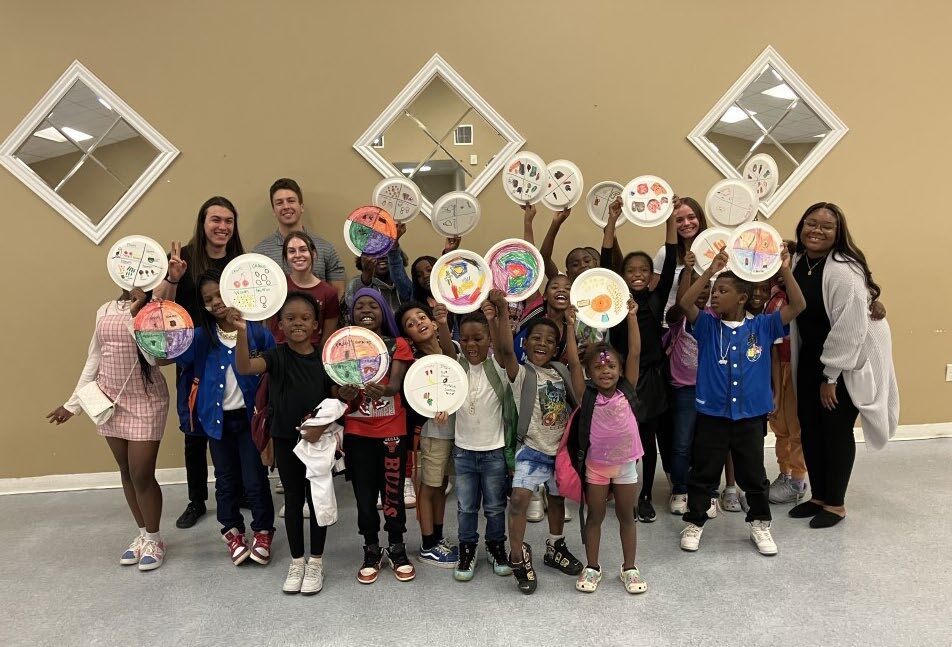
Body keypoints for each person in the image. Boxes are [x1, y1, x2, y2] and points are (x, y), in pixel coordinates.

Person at [676, 247, 805, 555]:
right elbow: (684, 303)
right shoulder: (708, 326)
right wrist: (708, 272)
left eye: (722, 291)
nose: (714, 297)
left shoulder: (762, 326)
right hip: (712, 414)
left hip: (749, 416)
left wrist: (786, 269)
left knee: (753, 475)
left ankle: (760, 523)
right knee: (704, 473)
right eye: (713, 292)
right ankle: (695, 521)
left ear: (743, 298)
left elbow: (799, 304)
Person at [788, 203, 898, 528]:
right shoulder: (799, 261)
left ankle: (835, 504)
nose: (816, 231)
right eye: (811, 223)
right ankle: (819, 497)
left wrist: (830, 377)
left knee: (835, 431)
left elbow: (849, 330)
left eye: (826, 226)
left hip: (843, 364)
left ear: (839, 233)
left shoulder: (843, 270)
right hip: (811, 356)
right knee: (810, 427)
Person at [47, 288, 170, 570]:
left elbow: (155, 358)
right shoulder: (104, 309)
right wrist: (73, 404)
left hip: (145, 399)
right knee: (126, 470)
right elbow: (94, 357)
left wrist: (137, 315)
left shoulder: (156, 312)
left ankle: (155, 538)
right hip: (109, 399)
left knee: (142, 473)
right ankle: (142, 535)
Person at [171, 270, 276, 567]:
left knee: (255, 479)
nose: (216, 302)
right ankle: (231, 532)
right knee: (225, 479)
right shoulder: (202, 338)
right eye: (208, 299)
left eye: (219, 294)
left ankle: (263, 530)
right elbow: (171, 357)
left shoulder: (256, 332)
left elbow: (274, 371)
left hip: (250, 420)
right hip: (216, 421)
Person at [235, 291, 337, 594]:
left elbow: (336, 401)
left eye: (305, 318)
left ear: (316, 325)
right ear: (279, 323)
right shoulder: (276, 356)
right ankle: (297, 561)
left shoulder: (325, 358)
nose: (298, 323)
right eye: (290, 318)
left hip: (318, 441)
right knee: (293, 500)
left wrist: (322, 427)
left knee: (317, 500)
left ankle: (316, 562)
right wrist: (241, 332)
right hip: (285, 438)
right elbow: (244, 368)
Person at [153, 198, 245, 530]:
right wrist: (174, 278)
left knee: (238, 422)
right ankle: (196, 500)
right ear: (202, 222)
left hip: (235, 352)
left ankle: (239, 491)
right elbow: (159, 307)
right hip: (195, 354)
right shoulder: (184, 259)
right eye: (215, 220)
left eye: (229, 221)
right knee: (195, 430)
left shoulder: (240, 261)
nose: (222, 227)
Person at [490, 289, 584, 594]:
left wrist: (570, 327)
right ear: (525, 343)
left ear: (556, 349)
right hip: (530, 448)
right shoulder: (519, 372)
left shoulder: (561, 373)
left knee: (557, 500)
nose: (542, 343)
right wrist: (503, 311)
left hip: (559, 451)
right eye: (536, 338)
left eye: (549, 341)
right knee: (518, 499)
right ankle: (517, 555)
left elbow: (579, 396)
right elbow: (504, 349)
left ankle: (555, 546)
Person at [601, 199, 678, 522]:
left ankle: (645, 495)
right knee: (620, 434)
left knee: (647, 437)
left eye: (643, 270)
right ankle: (619, 487)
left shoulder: (656, 297)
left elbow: (671, 258)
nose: (636, 274)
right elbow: (606, 259)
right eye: (631, 270)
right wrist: (611, 222)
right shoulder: (616, 298)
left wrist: (670, 219)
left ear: (650, 276)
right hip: (622, 376)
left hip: (653, 376)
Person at [565, 298, 648, 594]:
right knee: (596, 516)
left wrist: (633, 317)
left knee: (627, 516)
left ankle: (629, 568)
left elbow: (636, 351)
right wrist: (570, 324)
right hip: (596, 468)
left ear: (621, 368)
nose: (606, 372)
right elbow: (573, 361)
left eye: (612, 366)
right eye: (599, 368)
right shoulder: (585, 394)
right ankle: (592, 566)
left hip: (625, 466)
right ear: (590, 372)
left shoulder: (627, 387)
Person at [339, 288, 416, 584]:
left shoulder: (397, 345)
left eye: (373, 305)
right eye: (360, 306)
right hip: (357, 432)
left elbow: (395, 385)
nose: (366, 310)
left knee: (393, 494)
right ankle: (371, 548)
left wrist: (382, 389)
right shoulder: (342, 347)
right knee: (364, 495)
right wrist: (343, 392)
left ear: (384, 310)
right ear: (351, 314)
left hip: (392, 432)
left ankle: (397, 546)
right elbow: (336, 389)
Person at [451, 306, 517, 581]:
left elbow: (507, 349)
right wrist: (442, 321)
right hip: (464, 451)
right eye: (465, 339)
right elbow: (445, 347)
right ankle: (467, 548)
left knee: (494, 506)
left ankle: (495, 545)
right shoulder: (455, 367)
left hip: (494, 452)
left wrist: (496, 318)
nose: (470, 344)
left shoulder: (499, 367)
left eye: (478, 338)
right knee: (466, 506)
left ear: (489, 339)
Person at [394, 300, 459, 568]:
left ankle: (439, 537)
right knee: (429, 486)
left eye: (421, 316)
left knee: (442, 485)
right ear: (408, 336)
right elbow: (418, 399)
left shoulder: (451, 348)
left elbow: (452, 363)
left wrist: (443, 323)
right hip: (432, 432)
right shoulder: (416, 364)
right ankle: (428, 543)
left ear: (432, 322)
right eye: (410, 323)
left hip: (455, 429)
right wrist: (432, 410)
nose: (418, 322)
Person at [663, 275, 713, 515]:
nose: (701, 291)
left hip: (712, 391)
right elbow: (682, 305)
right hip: (684, 390)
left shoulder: (717, 317)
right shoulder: (678, 318)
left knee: (709, 443)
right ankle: (680, 489)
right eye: (697, 287)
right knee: (681, 443)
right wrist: (693, 270)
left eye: (706, 287)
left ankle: (709, 491)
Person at [765, 247, 808, 504]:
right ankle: (785, 474)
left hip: (794, 366)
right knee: (779, 424)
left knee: (796, 428)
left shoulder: (799, 295)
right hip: (775, 364)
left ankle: (798, 479)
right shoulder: (770, 296)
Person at [253, 177, 346, 297]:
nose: (286, 206)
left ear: (301, 207)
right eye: (279, 203)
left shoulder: (325, 249)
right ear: (273, 210)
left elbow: (338, 295)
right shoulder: (260, 254)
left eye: (291, 200)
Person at [270, 231, 340, 347]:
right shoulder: (276, 287)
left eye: (303, 249)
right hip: (279, 355)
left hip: (312, 356)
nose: (298, 255)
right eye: (292, 251)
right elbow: (270, 327)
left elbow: (327, 339)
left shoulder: (329, 293)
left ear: (313, 253)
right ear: (286, 257)